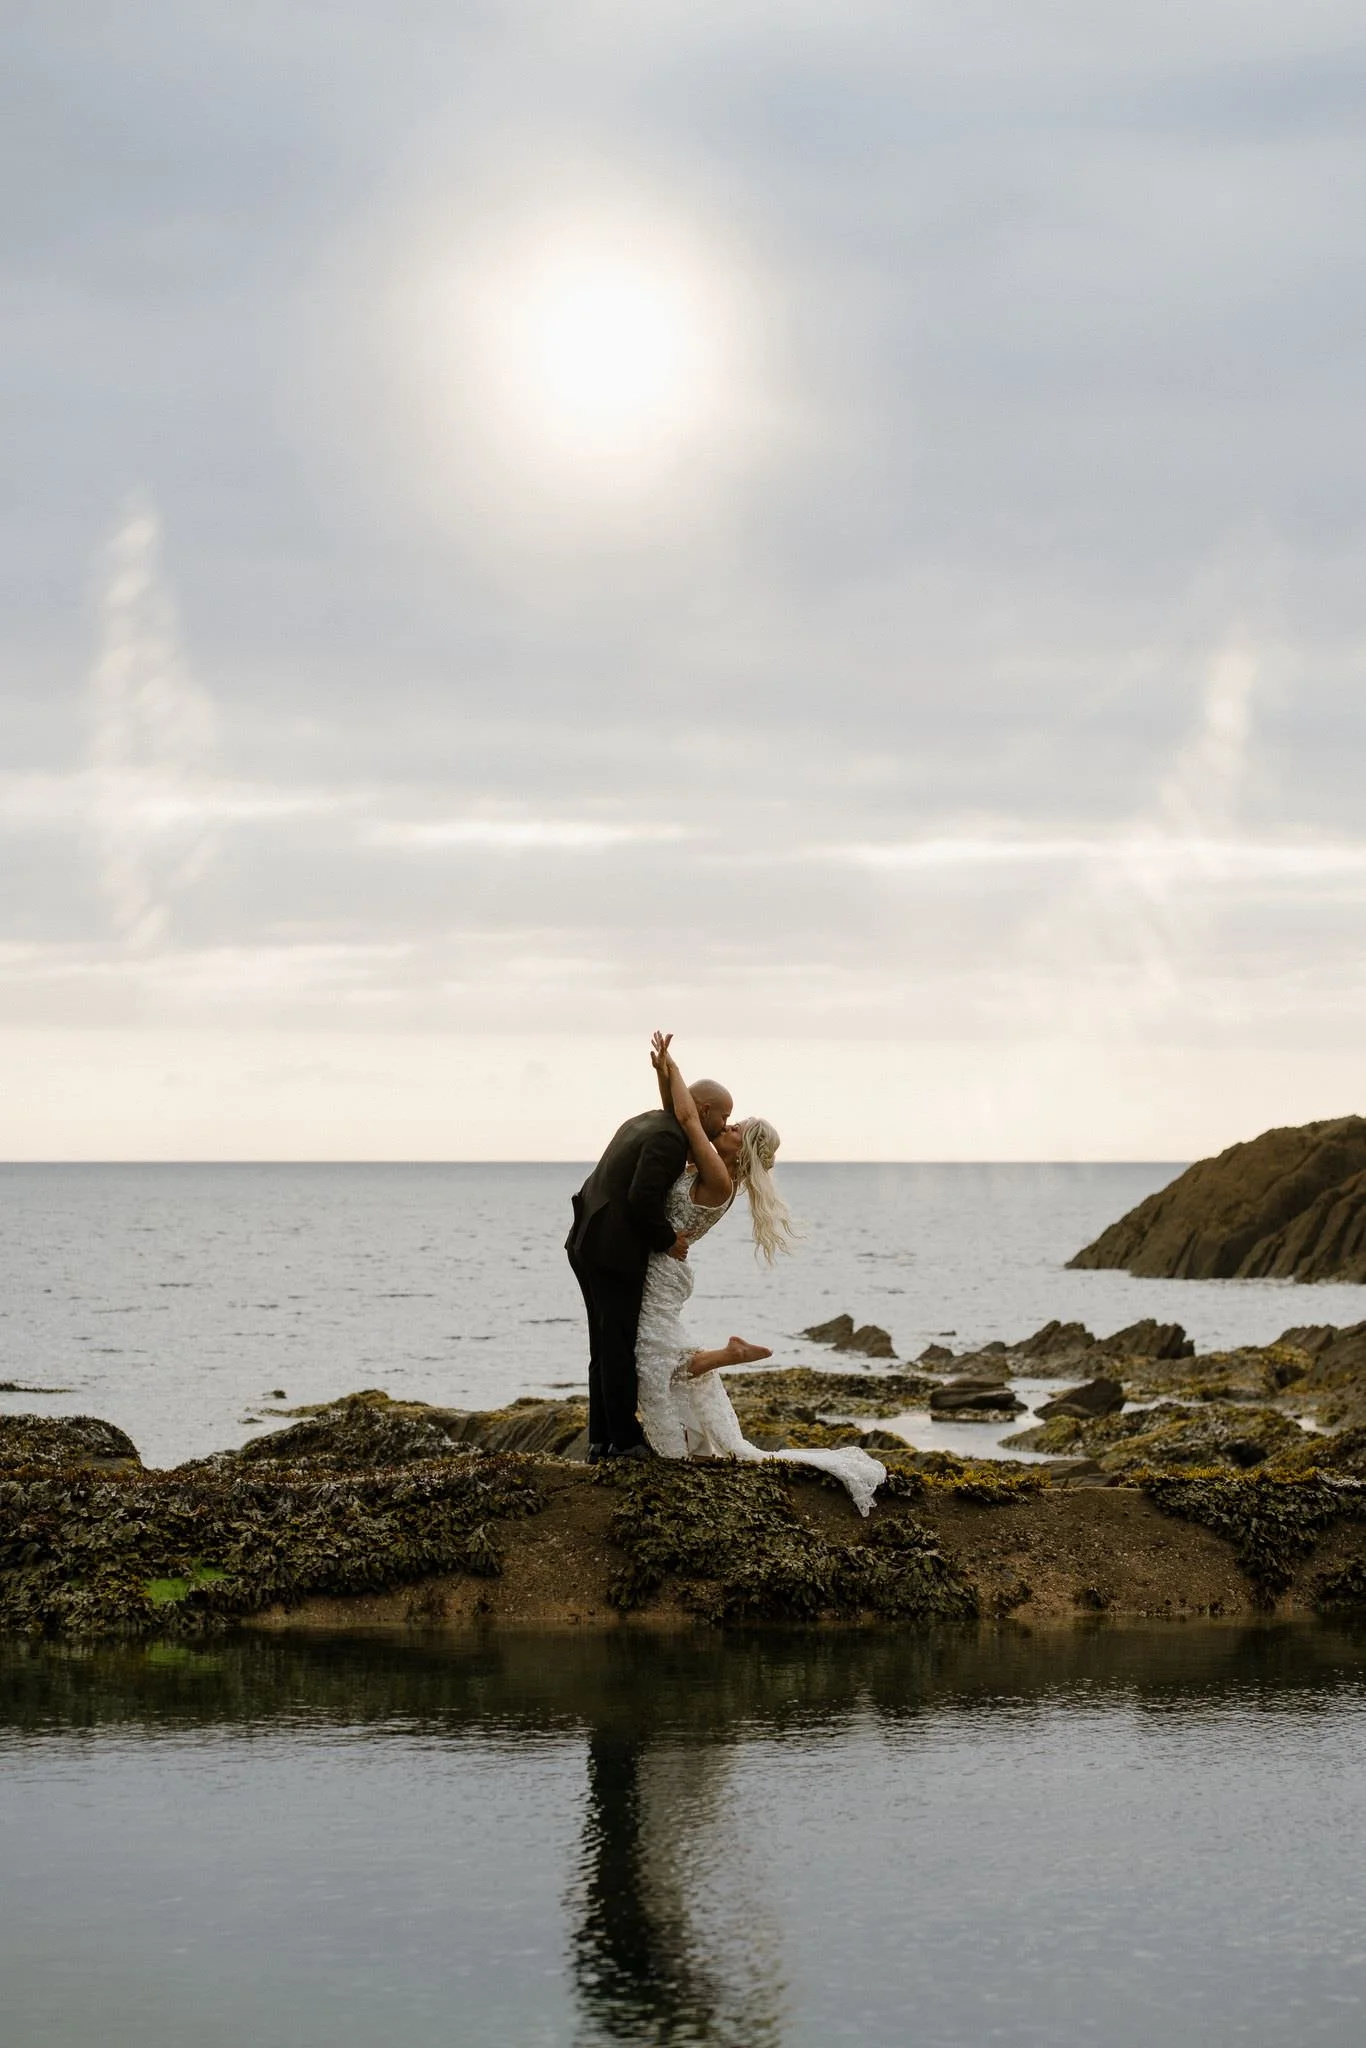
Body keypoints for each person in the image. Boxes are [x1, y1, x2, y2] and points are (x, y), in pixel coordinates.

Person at [637, 1035, 885, 1516]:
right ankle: (720, 1358)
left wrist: (673, 1066)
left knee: (650, 1359)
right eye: (727, 1121)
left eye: (734, 1127)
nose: (725, 1126)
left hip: (663, 1271)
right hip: (665, 1266)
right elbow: (679, 1118)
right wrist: (663, 1076)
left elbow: (690, 1118)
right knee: (652, 1357)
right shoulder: (712, 1169)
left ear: (739, 1146)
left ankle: (723, 1358)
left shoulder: (719, 1175)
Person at [565, 1061, 734, 1460]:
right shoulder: (668, 1141)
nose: (725, 1123)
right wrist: (667, 1240)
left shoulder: (646, 1122)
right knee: (618, 1344)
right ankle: (624, 1441)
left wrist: (665, 1072)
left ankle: (600, 1439)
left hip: (586, 1239)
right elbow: (642, 1197)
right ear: (705, 1110)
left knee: (603, 1346)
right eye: (724, 1116)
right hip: (613, 1250)